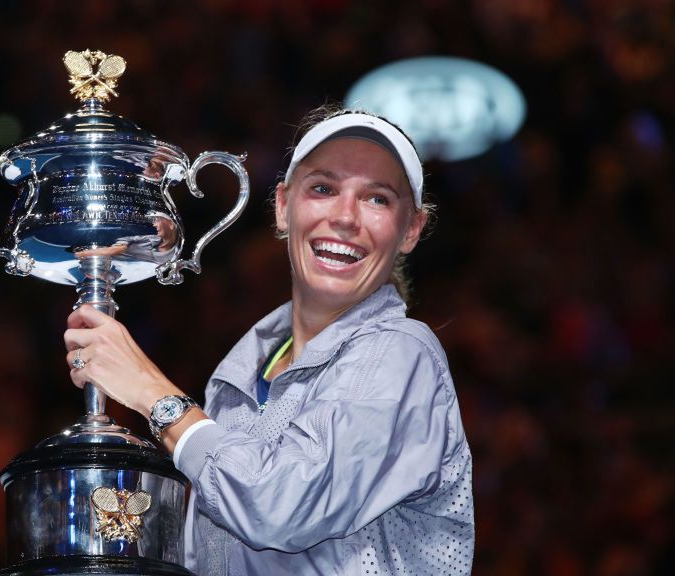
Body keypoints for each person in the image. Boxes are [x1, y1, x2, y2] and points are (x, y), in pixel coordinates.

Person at [63, 107, 474, 575]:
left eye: (377, 199)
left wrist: (151, 392)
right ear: (283, 206)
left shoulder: (404, 352)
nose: (344, 216)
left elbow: (278, 505)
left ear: (412, 230)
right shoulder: (233, 383)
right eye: (323, 188)